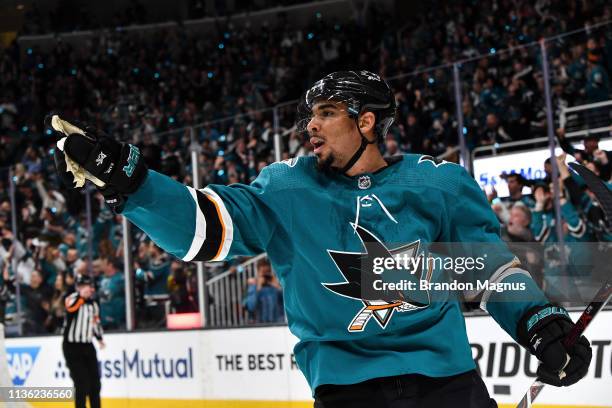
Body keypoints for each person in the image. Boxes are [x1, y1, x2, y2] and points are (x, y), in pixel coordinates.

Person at [48, 70, 592, 407]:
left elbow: (493, 270)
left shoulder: (438, 183)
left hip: (448, 382)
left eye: (327, 114)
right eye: (311, 114)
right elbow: (203, 230)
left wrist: (540, 324)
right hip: (346, 390)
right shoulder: (285, 188)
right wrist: (133, 182)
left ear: (369, 122)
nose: (311, 126)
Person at [62, 274, 104, 408]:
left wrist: (99, 338)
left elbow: (95, 323)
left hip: (87, 345)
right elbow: (71, 310)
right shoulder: (72, 299)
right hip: (72, 347)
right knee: (82, 384)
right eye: (83, 286)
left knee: (95, 384)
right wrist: (81, 297)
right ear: (78, 287)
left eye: (89, 286)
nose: (87, 289)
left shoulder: (93, 304)